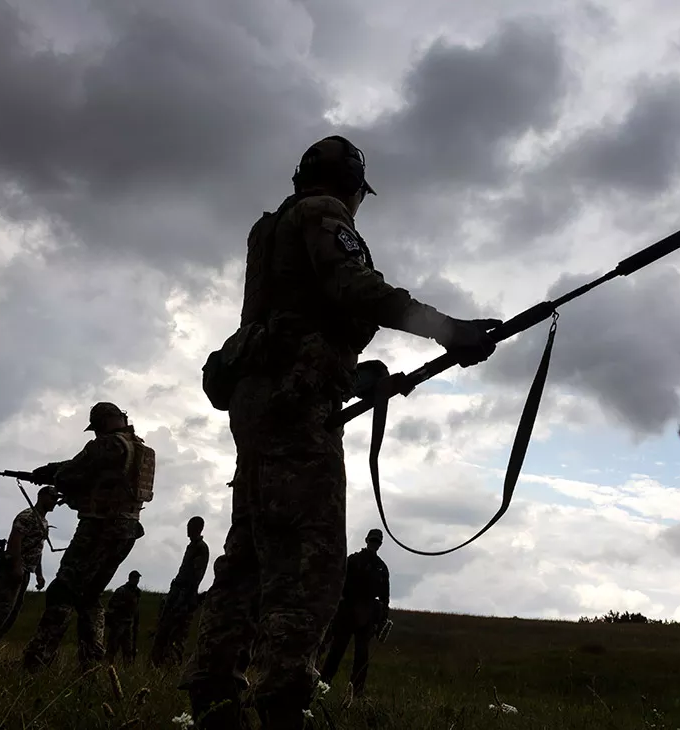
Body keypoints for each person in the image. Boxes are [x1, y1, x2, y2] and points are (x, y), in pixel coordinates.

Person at [181, 135, 499, 729]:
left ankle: (215, 697)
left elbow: (296, 320)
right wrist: (447, 329)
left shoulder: (270, 228)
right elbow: (354, 289)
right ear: (352, 188)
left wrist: (353, 375)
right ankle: (281, 705)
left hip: (260, 397)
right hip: (294, 400)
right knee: (310, 560)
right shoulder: (325, 216)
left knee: (249, 550)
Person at [21, 402, 155, 673]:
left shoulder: (106, 445)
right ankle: (91, 665)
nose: (94, 435)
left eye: (95, 429)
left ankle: (36, 662)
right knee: (91, 596)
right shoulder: (140, 449)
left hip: (100, 527)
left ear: (104, 422)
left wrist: (50, 473)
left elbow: (72, 473)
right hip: (127, 530)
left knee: (63, 590)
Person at [0, 486, 59, 649]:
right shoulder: (28, 516)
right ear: (42, 496)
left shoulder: (43, 521)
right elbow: (14, 541)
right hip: (12, 571)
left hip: (25, 571)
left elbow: (38, 549)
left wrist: (39, 574)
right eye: (52, 497)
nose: (55, 501)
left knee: (12, 612)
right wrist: (17, 566)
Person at [320, 528, 390, 696]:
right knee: (336, 652)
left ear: (379, 544)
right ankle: (322, 686)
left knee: (361, 657)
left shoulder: (380, 567)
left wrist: (381, 620)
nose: (374, 544)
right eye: (373, 540)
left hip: (366, 616)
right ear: (367, 540)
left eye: (377, 541)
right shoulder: (353, 560)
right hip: (347, 613)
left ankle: (356, 692)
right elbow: (339, 584)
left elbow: (384, 598)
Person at [151, 516, 210, 667]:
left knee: (177, 635)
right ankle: (156, 665)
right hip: (176, 593)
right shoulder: (191, 546)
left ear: (198, 528)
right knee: (162, 632)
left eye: (191, 526)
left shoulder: (201, 548)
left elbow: (195, 577)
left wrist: (185, 599)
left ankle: (171, 667)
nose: (188, 529)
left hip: (184, 597)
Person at [105, 570, 142, 666]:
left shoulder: (137, 592)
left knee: (128, 649)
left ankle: (127, 668)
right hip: (118, 623)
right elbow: (111, 604)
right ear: (130, 578)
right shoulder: (121, 590)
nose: (137, 580)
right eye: (135, 578)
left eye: (138, 578)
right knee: (113, 647)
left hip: (129, 623)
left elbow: (136, 609)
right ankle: (108, 666)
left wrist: (136, 624)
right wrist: (124, 605)